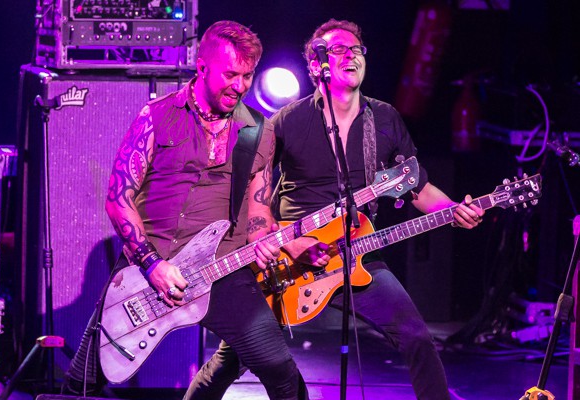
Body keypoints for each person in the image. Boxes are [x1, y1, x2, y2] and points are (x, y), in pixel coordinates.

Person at [188, 19, 485, 400]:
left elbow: (418, 187)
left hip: (358, 253)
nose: (351, 56)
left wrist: (453, 209)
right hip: (289, 258)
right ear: (316, 66)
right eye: (339, 50)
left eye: (357, 49)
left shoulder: (385, 119)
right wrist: (283, 242)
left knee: (416, 338)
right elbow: (251, 192)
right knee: (230, 360)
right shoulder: (287, 121)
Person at [63, 20, 307, 400]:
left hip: (222, 269)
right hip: (151, 267)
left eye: (247, 76)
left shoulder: (258, 130)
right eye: (230, 74)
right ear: (202, 65)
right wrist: (152, 264)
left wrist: (266, 240)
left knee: (281, 371)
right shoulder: (156, 116)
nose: (239, 86)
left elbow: (258, 213)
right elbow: (118, 198)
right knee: (83, 380)